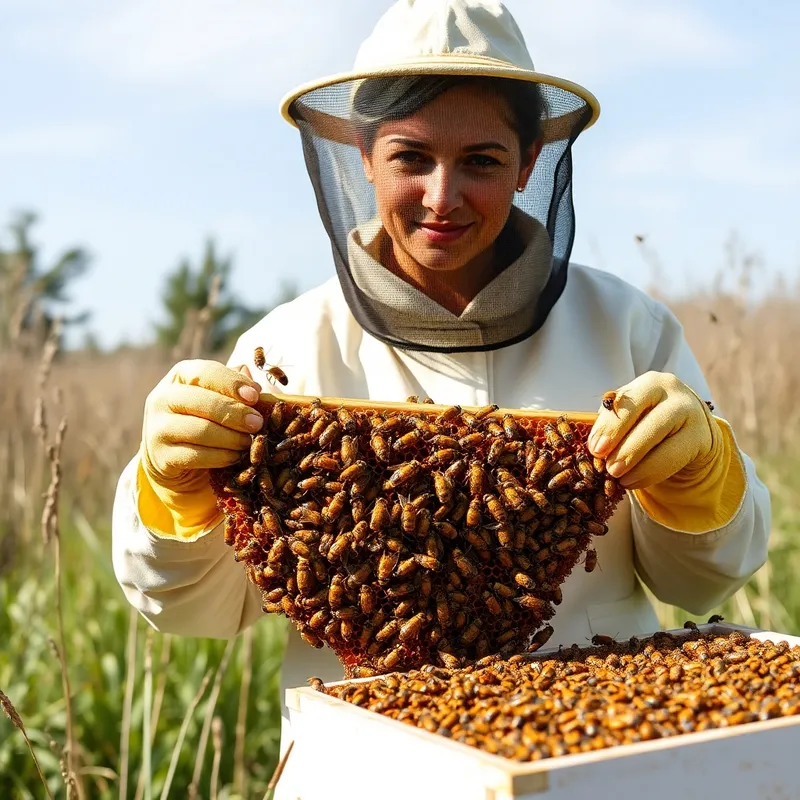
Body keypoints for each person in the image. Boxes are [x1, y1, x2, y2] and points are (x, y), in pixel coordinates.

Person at [112, 0, 771, 795]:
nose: (441, 196)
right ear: (362, 154)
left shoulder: (628, 329)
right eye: (411, 157)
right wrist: (168, 493)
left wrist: (701, 481)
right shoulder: (285, 349)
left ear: (530, 164)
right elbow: (195, 610)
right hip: (371, 776)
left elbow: (703, 582)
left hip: (599, 760)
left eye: (483, 161)